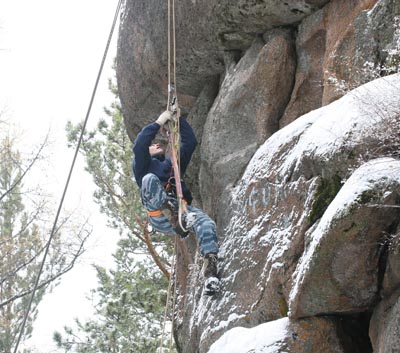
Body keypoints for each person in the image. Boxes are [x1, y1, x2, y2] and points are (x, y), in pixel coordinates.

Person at [132, 110, 220, 295]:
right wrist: (158, 121)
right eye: (152, 145)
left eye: (157, 143)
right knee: (149, 180)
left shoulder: (173, 164)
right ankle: (171, 212)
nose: (156, 144)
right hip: (158, 210)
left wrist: (177, 119)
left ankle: (211, 272)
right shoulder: (142, 166)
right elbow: (140, 145)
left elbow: (190, 143)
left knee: (205, 223)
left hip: (180, 211)